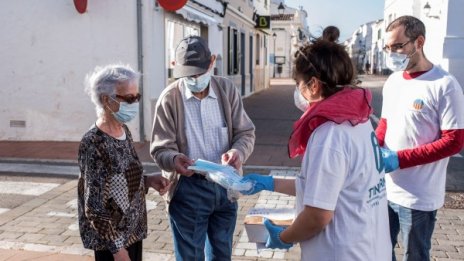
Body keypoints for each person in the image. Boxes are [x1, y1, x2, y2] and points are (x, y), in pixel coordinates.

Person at [241, 39, 392, 261]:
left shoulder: (329, 135)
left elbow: (317, 215)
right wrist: (270, 183)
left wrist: (284, 237)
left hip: (342, 253)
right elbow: (326, 187)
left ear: (313, 85)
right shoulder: (358, 120)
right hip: (370, 247)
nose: (297, 89)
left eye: (297, 82)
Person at [150, 36, 255, 261]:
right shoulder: (169, 98)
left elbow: (245, 133)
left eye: (199, 72)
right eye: (188, 75)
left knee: (221, 255)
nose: (195, 79)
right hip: (188, 188)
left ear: (212, 62)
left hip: (226, 187)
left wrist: (238, 152)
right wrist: (174, 159)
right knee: (189, 257)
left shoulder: (226, 89)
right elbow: (160, 149)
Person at [376, 15, 464, 260]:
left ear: (419, 42)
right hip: (385, 189)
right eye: (388, 47)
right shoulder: (393, 81)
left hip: (419, 197)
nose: (392, 53)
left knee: (415, 255)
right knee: (379, 251)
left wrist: (399, 159)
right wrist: (372, 149)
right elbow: (384, 124)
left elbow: (454, 141)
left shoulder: (445, 85)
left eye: (398, 46)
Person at [78, 64, 171, 261]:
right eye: (129, 98)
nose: (135, 103)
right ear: (106, 100)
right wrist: (117, 250)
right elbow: (94, 206)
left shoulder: (123, 130)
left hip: (132, 233)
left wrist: (147, 181)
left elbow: (118, 178)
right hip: (112, 243)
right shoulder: (94, 142)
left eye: (136, 97)